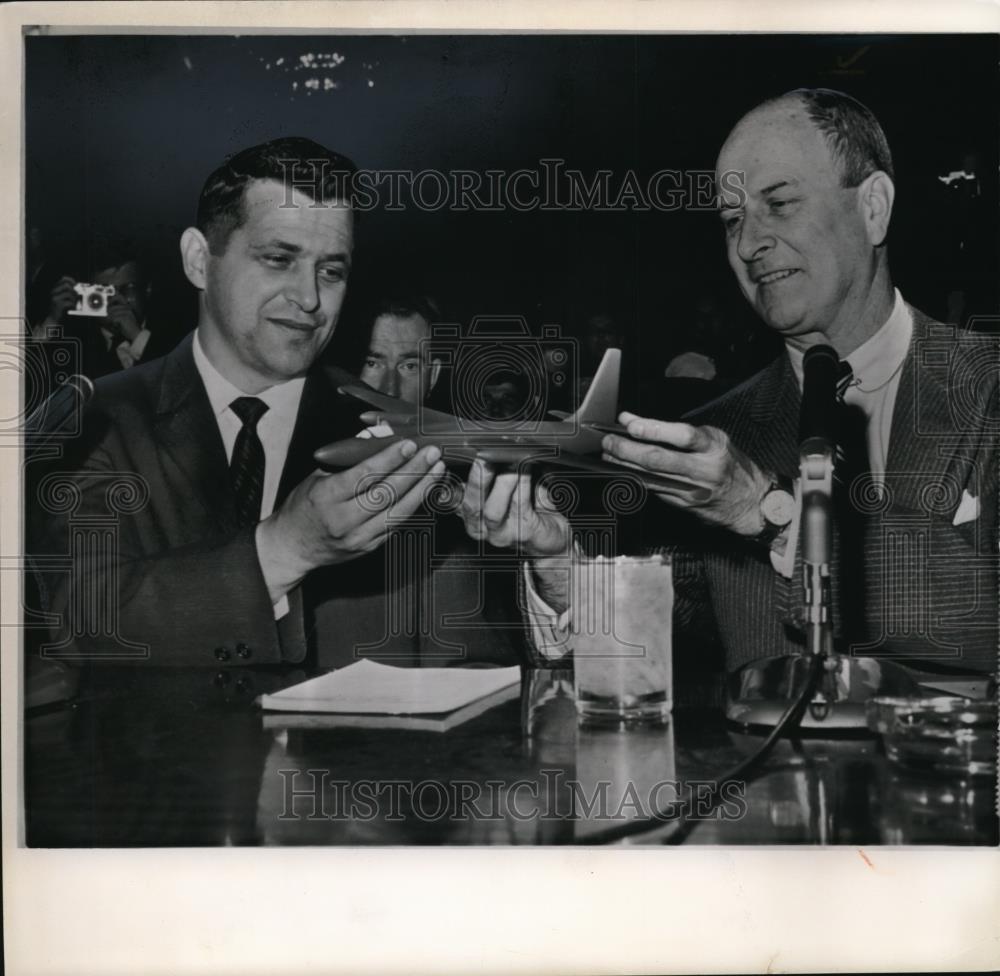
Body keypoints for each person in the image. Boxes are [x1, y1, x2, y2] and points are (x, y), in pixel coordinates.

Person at [460, 88, 997, 676]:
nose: (747, 245)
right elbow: (654, 656)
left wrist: (767, 511)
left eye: (780, 203)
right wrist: (559, 561)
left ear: (873, 207)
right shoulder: (717, 434)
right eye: (732, 219)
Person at [27, 137, 448, 668]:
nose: (311, 298)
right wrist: (284, 549)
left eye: (332, 271)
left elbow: (469, 662)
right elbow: (83, 627)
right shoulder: (94, 419)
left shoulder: (400, 432)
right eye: (279, 259)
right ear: (200, 260)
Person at [32, 242, 177, 378]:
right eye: (104, 291)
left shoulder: (175, 335)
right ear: (87, 293)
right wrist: (51, 320)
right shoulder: (75, 342)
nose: (115, 300)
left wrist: (138, 337)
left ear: (147, 290)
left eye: (127, 289)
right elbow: (27, 381)